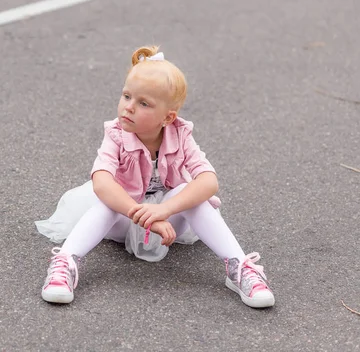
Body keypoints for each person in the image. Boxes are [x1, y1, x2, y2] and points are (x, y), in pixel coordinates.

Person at [35, 45, 275, 308]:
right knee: (108, 199)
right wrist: (143, 215)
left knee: (192, 195)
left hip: (168, 220)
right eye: (126, 96)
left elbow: (209, 181)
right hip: (125, 216)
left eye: (143, 103)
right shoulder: (116, 134)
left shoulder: (181, 135)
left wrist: (164, 211)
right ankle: (66, 262)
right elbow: (102, 182)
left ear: (168, 117)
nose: (129, 107)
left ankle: (239, 266)